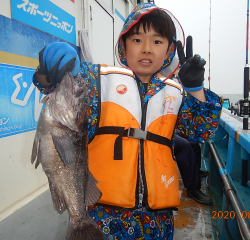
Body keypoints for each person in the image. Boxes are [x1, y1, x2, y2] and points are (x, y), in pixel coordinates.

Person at [33, 3, 222, 239]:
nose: (146, 49)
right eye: (136, 40)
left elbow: (202, 131)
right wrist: (50, 70)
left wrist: (195, 90)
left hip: (157, 221)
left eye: (157, 41)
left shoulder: (176, 94)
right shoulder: (96, 82)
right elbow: (50, 85)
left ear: (169, 49)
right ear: (123, 45)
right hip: (104, 218)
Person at [175, 129, 212, 205]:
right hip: (154, 131)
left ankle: (195, 172)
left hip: (168, 128)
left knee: (193, 142)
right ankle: (192, 188)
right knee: (183, 145)